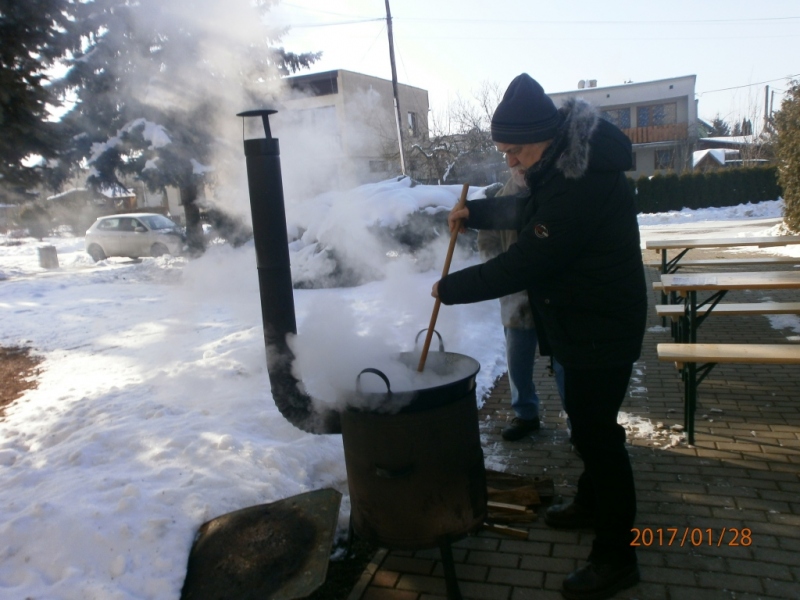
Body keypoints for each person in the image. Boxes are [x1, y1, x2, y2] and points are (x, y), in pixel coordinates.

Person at [432, 73, 647, 600]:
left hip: (601, 326)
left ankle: (617, 556)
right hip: (581, 321)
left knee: (598, 438)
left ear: (545, 138)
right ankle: (592, 503)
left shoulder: (582, 181)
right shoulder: (562, 164)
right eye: (504, 152)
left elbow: (527, 259)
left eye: (516, 151)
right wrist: (477, 212)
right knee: (589, 427)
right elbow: (529, 209)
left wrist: (449, 288)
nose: (510, 162)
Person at [477, 173, 565, 441]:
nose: (516, 164)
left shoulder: (555, 192)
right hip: (517, 297)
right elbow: (486, 240)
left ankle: (578, 420)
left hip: (556, 294)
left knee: (565, 362)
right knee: (517, 362)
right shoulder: (502, 199)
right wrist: (501, 270)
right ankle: (525, 414)